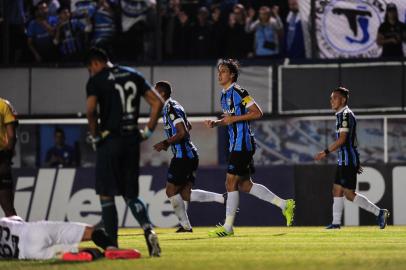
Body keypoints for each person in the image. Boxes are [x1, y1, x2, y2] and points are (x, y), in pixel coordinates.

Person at [85, 47, 163, 256]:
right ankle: (148, 229)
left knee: (106, 195)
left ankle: (112, 246)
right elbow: (157, 103)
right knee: (131, 195)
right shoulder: (133, 74)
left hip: (109, 140)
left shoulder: (97, 80)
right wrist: (146, 132)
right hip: (131, 141)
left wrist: (94, 136)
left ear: (95, 64)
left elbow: (91, 111)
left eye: (90, 68)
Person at [204, 59, 295, 237]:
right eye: (219, 71)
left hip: (242, 144)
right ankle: (285, 204)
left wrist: (233, 120)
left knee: (230, 183)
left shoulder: (239, 91)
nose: (219, 74)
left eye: (223, 71)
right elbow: (230, 118)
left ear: (231, 74)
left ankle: (228, 228)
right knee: (245, 185)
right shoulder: (224, 95)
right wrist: (216, 123)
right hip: (236, 144)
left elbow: (257, 112)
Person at [153, 81, 226, 233]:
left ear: (163, 94)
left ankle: (186, 227)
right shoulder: (174, 106)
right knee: (186, 194)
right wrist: (171, 142)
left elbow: (183, 132)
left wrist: (165, 142)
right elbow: (188, 127)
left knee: (170, 191)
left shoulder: (171, 108)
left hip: (183, 156)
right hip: (188, 155)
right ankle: (221, 198)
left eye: (155, 92)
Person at [314, 87, 389, 229]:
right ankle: (336, 223)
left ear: (342, 100)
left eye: (334, 98)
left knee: (349, 194)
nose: (331, 101)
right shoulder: (341, 115)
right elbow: (352, 139)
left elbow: (342, 140)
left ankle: (379, 212)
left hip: (347, 160)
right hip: (345, 159)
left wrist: (325, 152)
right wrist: (357, 158)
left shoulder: (345, 115)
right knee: (336, 190)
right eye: (331, 98)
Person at [0, 215, 140, 260]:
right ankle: (110, 248)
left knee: (74, 252)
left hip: (28, 254)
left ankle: (93, 254)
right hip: (33, 231)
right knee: (92, 231)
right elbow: (16, 218)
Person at [0, 98, 18, 217]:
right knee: (9, 209)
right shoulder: (3, 105)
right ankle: (18, 235)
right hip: (1, 160)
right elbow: (12, 136)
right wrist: (8, 155)